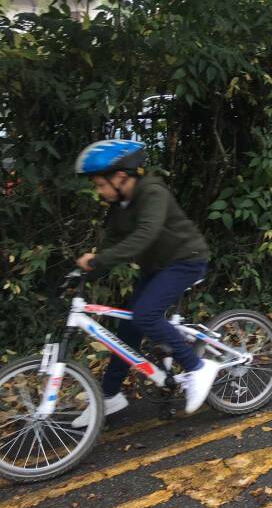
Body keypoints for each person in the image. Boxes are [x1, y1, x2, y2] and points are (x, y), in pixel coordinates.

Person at [70, 139, 219, 427]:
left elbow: (144, 235)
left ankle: (197, 367)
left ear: (121, 177)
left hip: (186, 260)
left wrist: (97, 260)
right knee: (128, 327)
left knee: (145, 314)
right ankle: (109, 396)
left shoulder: (152, 191)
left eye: (101, 184)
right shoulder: (118, 206)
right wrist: (82, 275)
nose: (98, 191)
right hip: (156, 267)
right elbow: (111, 247)